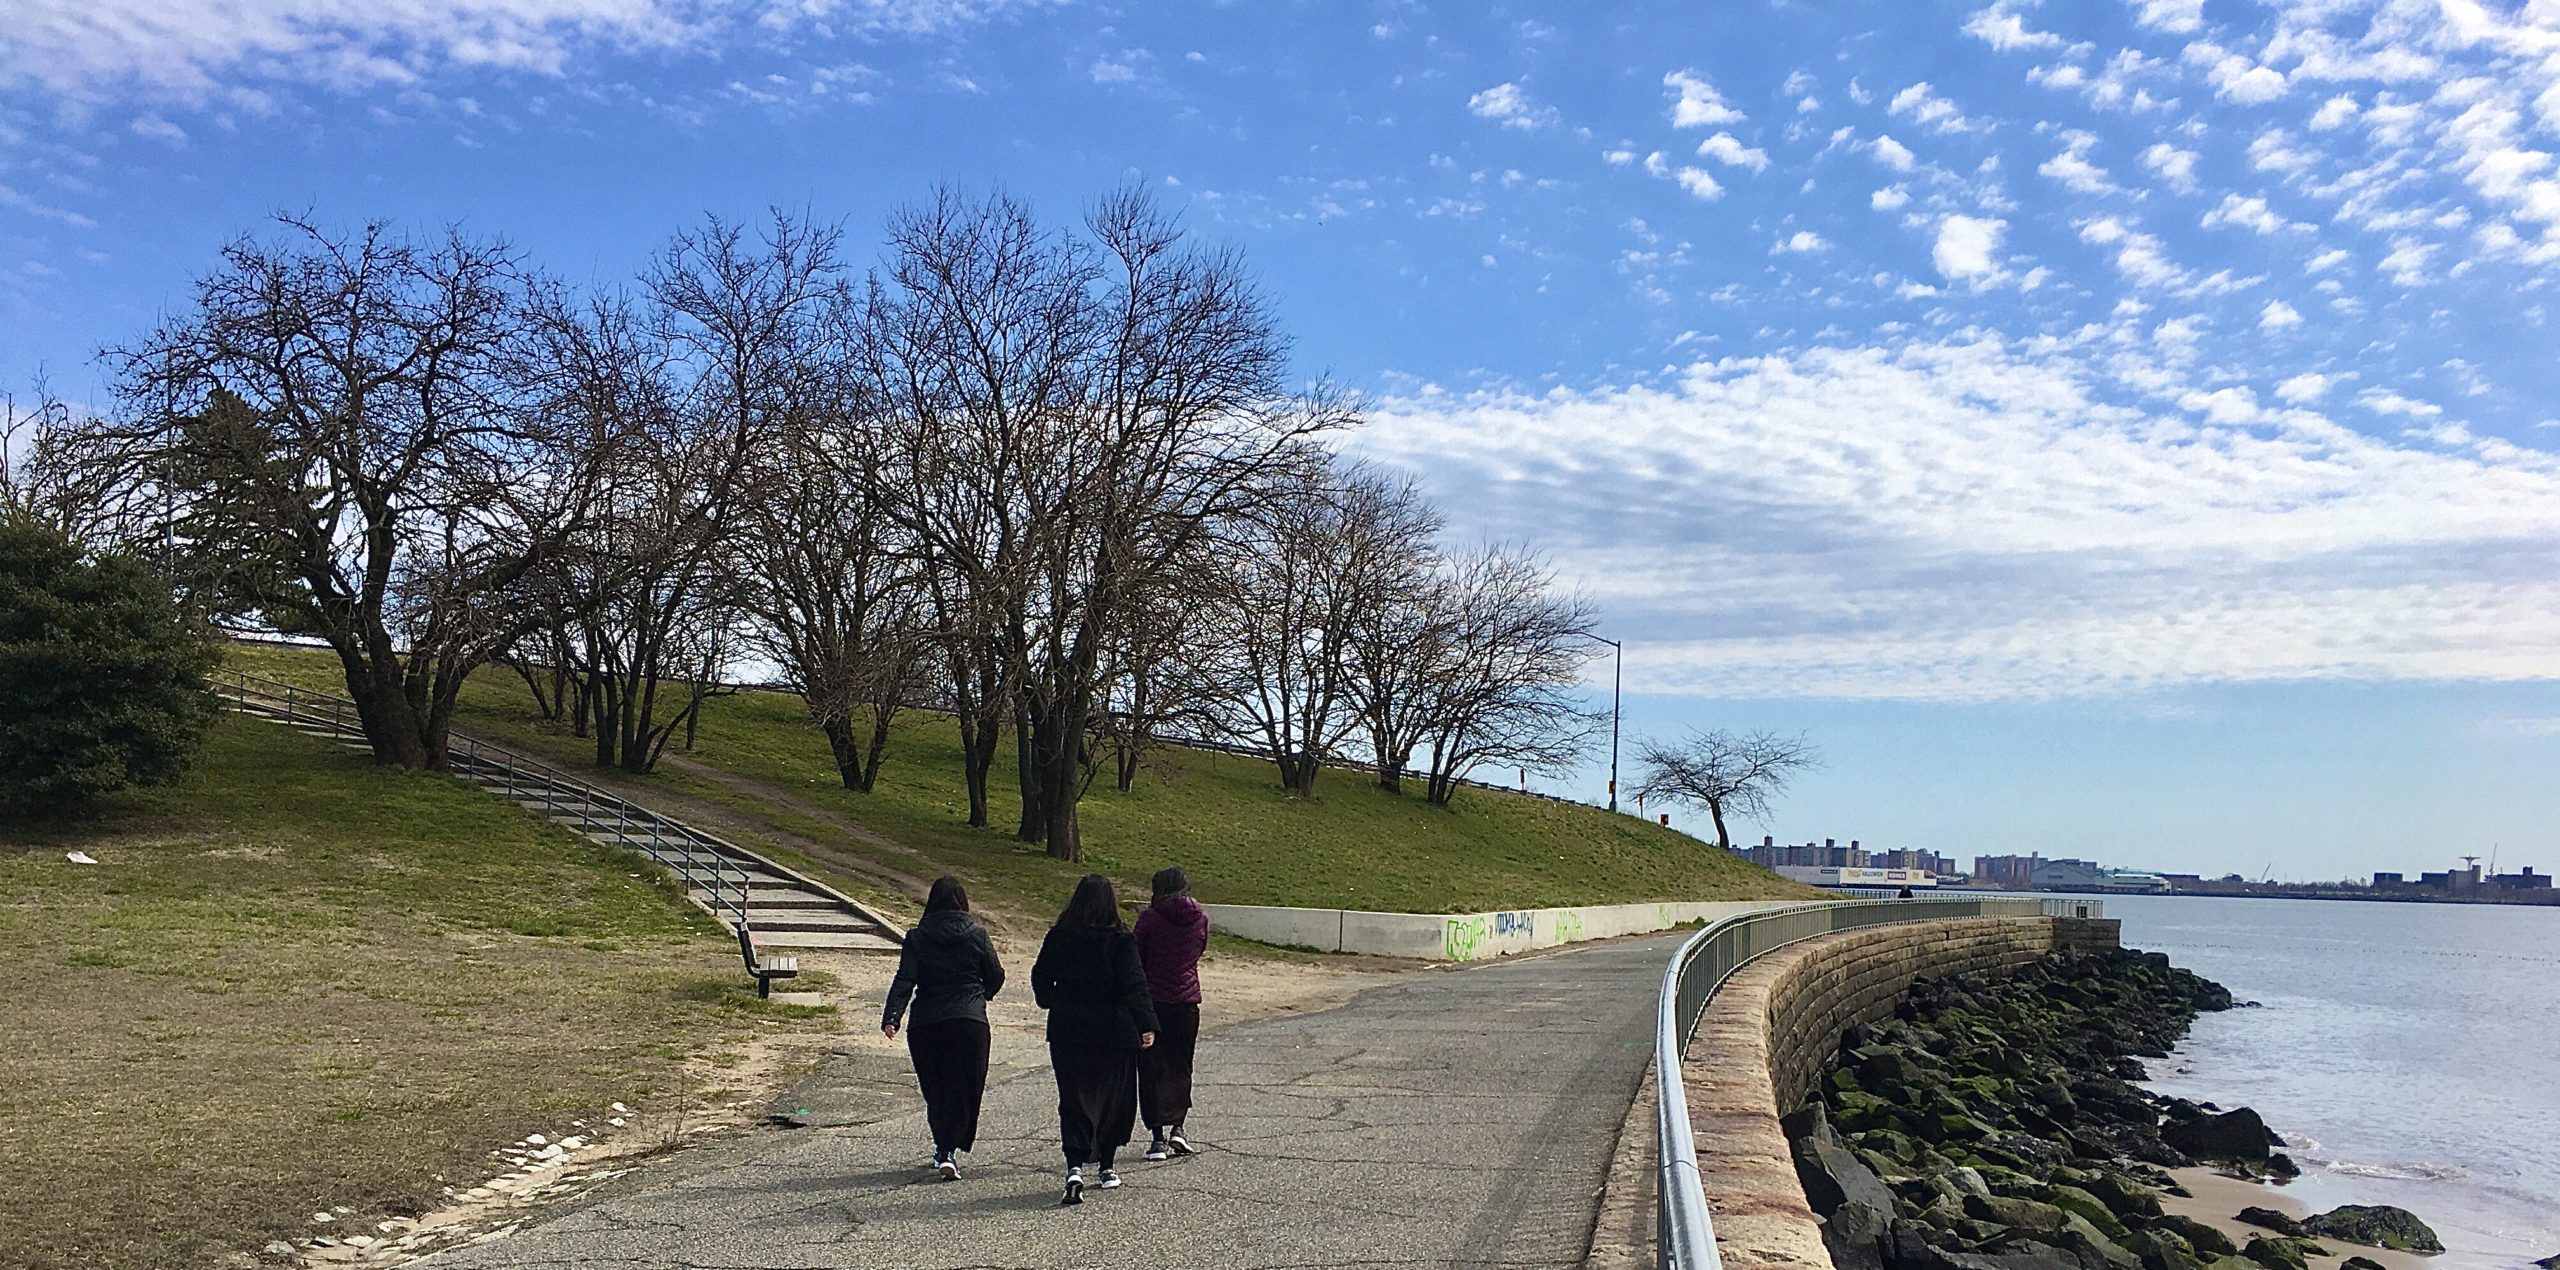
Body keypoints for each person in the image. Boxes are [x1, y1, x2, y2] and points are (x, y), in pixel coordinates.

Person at [1031, 874, 1157, 1206]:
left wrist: (1049, 999)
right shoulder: (1121, 940)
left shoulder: (1060, 936)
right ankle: (1107, 1166)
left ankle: (1074, 1166)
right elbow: (1134, 985)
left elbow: (1040, 976)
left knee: (1074, 1098)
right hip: (1114, 1031)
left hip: (1068, 1029)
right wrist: (1146, 1024)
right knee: (1113, 1099)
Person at [880, 876, 1005, 1181]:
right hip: (970, 1021)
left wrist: (892, 1016)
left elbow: (905, 979)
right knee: (967, 1085)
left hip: (928, 1022)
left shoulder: (917, 938)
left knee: (936, 1088)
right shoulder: (978, 935)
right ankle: (953, 1143)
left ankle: (943, 1147)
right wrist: (981, 995)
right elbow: (996, 974)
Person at [1132, 866, 1208, 1160]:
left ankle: (1157, 1137)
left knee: (1151, 1068)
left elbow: (1137, 956)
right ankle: (1178, 1126)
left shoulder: (1150, 918)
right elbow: (1198, 951)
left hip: (1154, 1001)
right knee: (1181, 1065)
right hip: (1187, 1001)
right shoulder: (1199, 918)